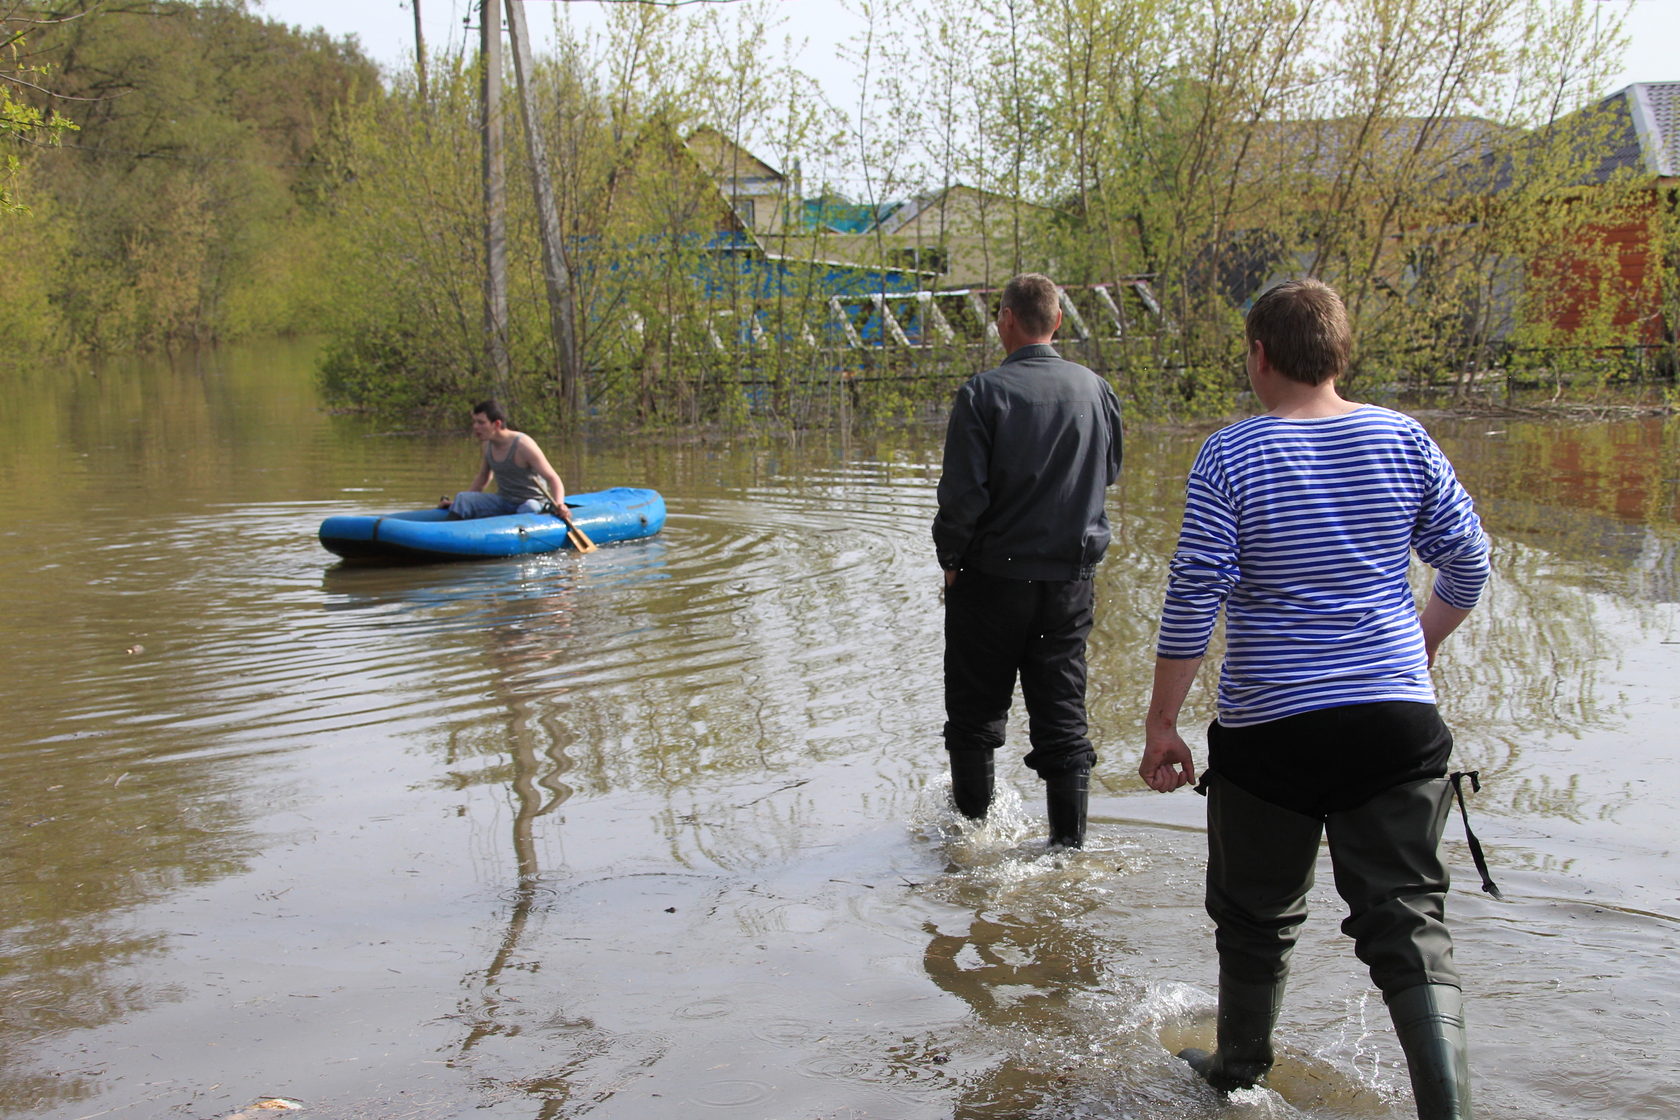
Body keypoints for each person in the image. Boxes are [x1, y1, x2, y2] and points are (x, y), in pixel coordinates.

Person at [1138, 279, 1490, 1119]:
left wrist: (1162, 724)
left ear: (1260, 356)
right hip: (1396, 727)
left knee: (1257, 921)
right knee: (1409, 931)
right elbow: (1469, 564)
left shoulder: (1230, 454)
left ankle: (1238, 1075)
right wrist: (1419, 646)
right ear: (1340, 353)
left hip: (1274, 733)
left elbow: (1194, 596)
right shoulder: (1403, 439)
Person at [933, 273, 1124, 849]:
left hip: (991, 580)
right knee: (1063, 715)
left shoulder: (983, 393)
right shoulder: (1097, 390)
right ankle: (1069, 851)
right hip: (1069, 582)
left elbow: (963, 496)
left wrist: (950, 558)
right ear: (1058, 321)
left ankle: (972, 842)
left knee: (975, 714)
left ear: (1006, 319)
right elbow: (1108, 472)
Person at [438, 400, 565, 519]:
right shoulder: (487, 444)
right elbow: (484, 477)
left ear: (497, 424)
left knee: (529, 507)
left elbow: (553, 478)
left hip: (532, 503)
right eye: (475, 422)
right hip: (504, 501)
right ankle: (445, 535)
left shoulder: (523, 445)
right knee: (463, 498)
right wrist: (457, 504)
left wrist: (559, 504)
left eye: (481, 423)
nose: (475, 427)